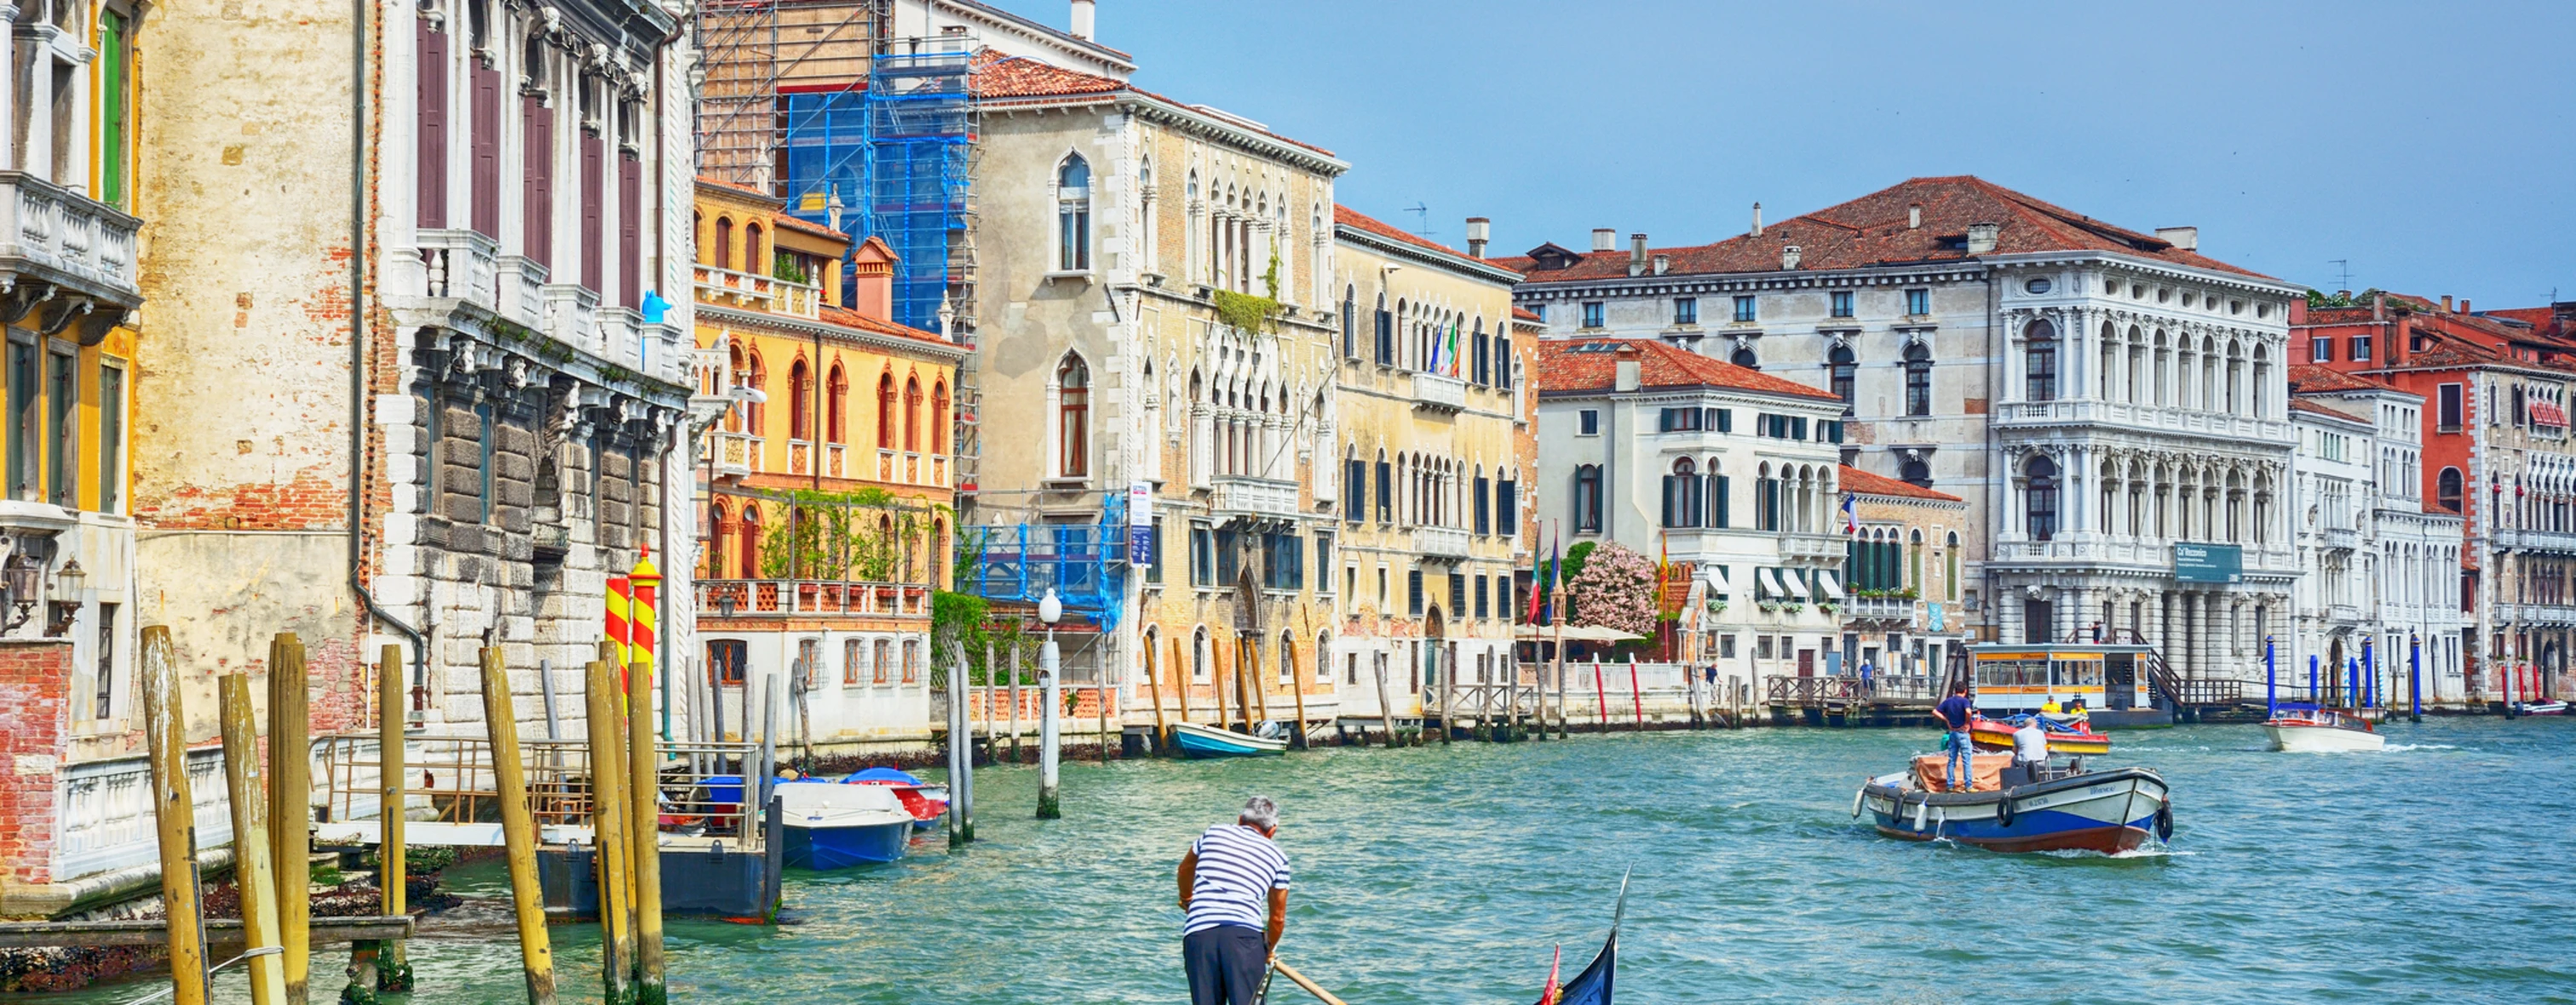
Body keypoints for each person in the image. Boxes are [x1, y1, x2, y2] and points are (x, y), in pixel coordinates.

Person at [1177, 795, 1291, 1005]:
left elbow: (1185, 869)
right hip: (1244, 940)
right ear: (1272, 831)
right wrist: (1269, 948)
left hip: (1199, 936)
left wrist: (1187, 899)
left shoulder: (1213, 833)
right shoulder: (1278, 857)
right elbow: (1277, 918)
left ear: (1240, 820)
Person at [1935, 682, 1975, 793]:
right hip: (1963, 733)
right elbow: (1968, 712)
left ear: (1955, 690)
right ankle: (1968, 785)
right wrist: (1967, 723)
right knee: (1966, 760)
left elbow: (1935, 711)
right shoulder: (1965, 701)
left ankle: (1950, 785)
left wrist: (1947, 720)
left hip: (1952, 732)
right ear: (1965, 691)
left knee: (1952, 760)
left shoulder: (1949, 701)